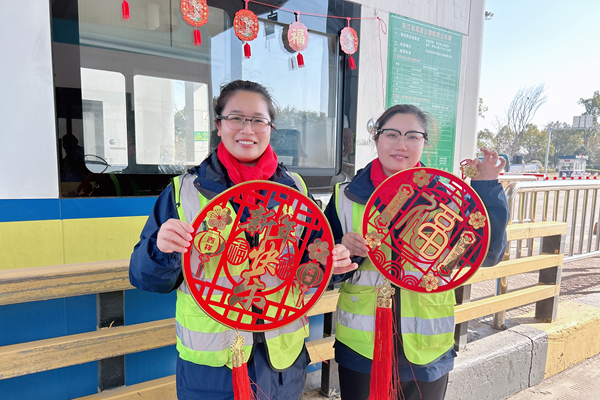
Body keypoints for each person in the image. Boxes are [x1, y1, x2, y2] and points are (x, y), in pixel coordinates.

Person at [129, 80, 357, 400]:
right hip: (213, 367)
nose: (247, 129)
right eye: (235, 118)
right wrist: (159, 249)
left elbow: (311, 264)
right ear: (219, 125)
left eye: (258, 120)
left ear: (270, 127)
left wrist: (333, 264)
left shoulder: (295, 190)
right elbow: (144, 278)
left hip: (281, 361)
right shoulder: (185, 192)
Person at [324, 104, 509, 400]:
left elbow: (487, 254)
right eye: (392, 134)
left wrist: (486, 187)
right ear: (376, 138)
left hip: (427, 350)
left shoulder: (448, 197)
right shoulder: (345, 197)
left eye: (413, 136)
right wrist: (343, 254)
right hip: (362, 347)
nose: (401, 145)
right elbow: (322, 268)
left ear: (424, 142)